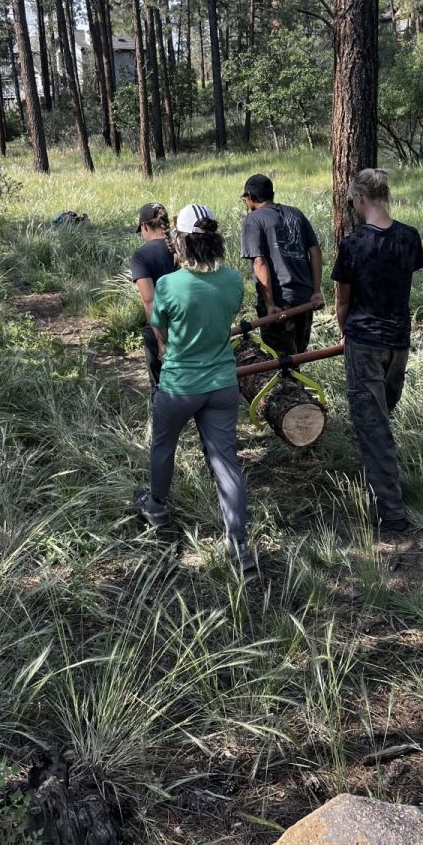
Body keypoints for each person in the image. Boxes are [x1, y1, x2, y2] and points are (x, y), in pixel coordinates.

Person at [135, 204, 256, 576]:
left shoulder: (170, 284)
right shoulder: (233, 280)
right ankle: (239, 544)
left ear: (182, 241)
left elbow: (161, 330)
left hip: (179, 385)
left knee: (163, 446)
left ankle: (156, 507)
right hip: (221, 384)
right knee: (225, 462)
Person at [331, 168, 423, 535]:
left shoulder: (354, 245)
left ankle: (392, 514)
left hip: (366, 342)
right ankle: (383, 488)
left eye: (353, 202)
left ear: (360, 199)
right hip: (398, 342)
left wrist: (346, 333)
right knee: (382, 417)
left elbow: (342, 301)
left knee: (374, 428)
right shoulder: (409, 238)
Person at [240, 173, 323, 355]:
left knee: (281, 364)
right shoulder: (296, 213)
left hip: (279, 303)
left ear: (251, 197)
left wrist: (269, 304)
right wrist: (316, 291)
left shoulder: (253, 220)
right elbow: (315, 251)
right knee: (298, 357)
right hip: (305, 298)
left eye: (245, 199)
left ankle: (294, 385)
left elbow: (259, 261)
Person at [131, 202, 176, 392]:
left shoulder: (141, 255)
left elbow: (149, 299)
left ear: (144, 226)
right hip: (186, 323)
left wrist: (160, 338)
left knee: (160, 386)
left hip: (160, 328)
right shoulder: (180, 247)